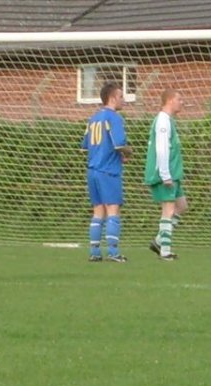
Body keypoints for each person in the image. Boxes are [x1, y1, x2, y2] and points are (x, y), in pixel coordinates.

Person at [81, 81, 132, 263]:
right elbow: (119, 144)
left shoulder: (93, 119)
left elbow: (85, 146)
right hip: (108, 171)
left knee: (98, 211)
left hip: (92, 170)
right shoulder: (114, 118)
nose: (123, 100)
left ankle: (94, 253)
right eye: (120, 96)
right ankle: (113, 252)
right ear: (112, 98)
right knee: (113, 210)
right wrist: (127, 152)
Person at [145, 89, 188, 261]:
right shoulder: (163, 121)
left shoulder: (168, 120)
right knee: (168, 210)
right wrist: (165, 175)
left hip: (173, 174)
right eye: (179, 99)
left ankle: (158, 241)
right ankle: (165, 251)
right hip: (165, 174)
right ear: (169, 100)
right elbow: (161, 149)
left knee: (182, 206)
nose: (182, 102)